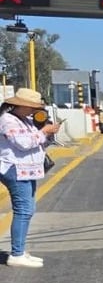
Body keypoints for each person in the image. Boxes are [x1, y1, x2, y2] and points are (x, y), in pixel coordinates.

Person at [0, 88, 60, 268]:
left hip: (27, 169)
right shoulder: (7, 120)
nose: (35, 110)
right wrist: (44, 132)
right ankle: (16, 254)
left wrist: (48, 132)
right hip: (15, 169)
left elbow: (38, 142)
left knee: (28, 209)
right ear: (21, 105)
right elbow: (24, 143)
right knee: (23, 210)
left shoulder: (25, 120)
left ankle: (20, 250)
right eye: (32, 106)